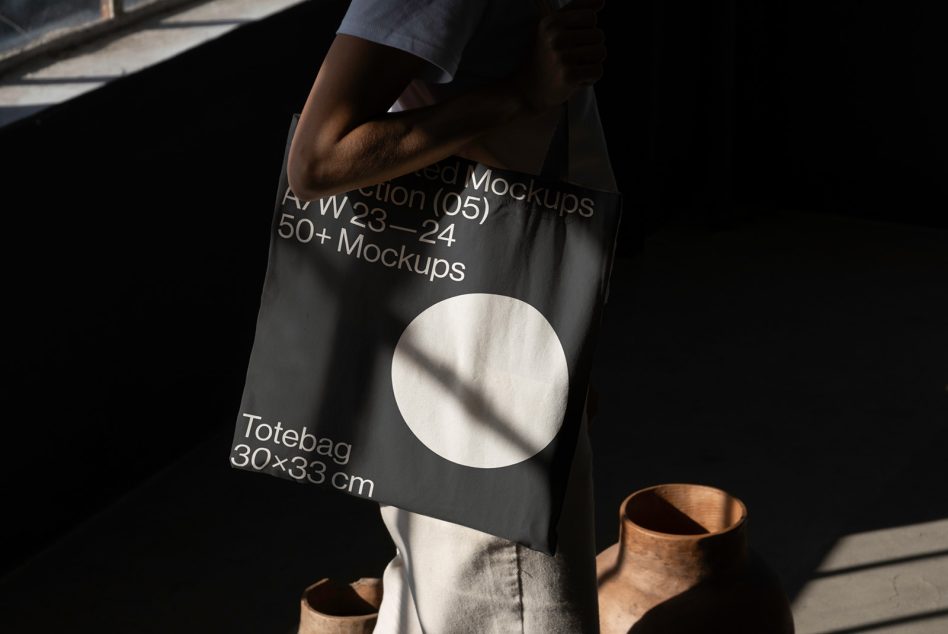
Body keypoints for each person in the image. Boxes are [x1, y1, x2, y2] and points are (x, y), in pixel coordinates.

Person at [287, 0, 616, 631]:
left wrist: (574, 336)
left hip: (508, 313)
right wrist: (519, 93)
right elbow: (319, 160)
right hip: (481, 340)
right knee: (516, 605)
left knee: (441, 598)